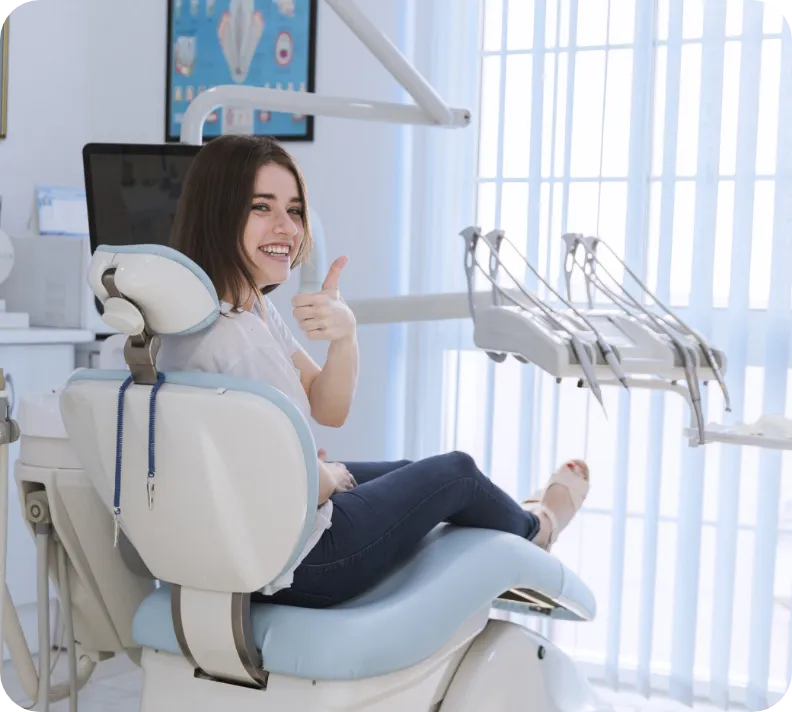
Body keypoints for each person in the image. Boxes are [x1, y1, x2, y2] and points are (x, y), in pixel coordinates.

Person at [157, 135, 591, 609]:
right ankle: (539, 528)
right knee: (456, 474)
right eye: (262, 207)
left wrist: (345, 334)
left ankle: (506, 534)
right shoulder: (242, 342)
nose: (288, 228)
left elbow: (328, 406)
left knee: (410, 473)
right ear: (218, 213)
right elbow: (298, 485)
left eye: (295, 210)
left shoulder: (223, 313)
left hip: (240, 542)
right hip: (305, 560)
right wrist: (329, 476)